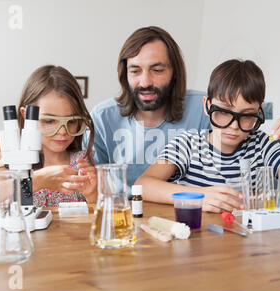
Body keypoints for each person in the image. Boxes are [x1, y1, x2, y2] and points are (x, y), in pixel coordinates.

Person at [135, 59, 280, 213]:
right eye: (224, 112)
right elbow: (144, 185)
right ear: (207, 106)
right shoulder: (187, 144)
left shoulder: (262, 145)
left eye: (248, 115)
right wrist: (198, 197)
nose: (234, 126)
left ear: (258, 112)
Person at [83, 26, 210, 188]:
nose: (145, 82)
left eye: (157, 70)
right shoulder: (102, 117)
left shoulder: (203, 110)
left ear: (175, 73)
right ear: (125, 74)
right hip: (123, 210)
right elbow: (92, 187)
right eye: (135, 71)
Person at [0, 65, 97, 212]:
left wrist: (91, 193)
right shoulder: (14, 161)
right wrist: (37, 180)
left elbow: (97, 210)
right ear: (26, 116)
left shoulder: (81, 162)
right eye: (49, 121)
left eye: (71, 121)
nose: (62, 131)